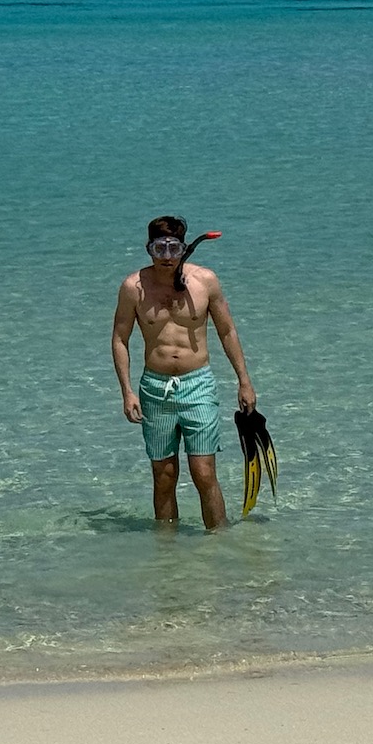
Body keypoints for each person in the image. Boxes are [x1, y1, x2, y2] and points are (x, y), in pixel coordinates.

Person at [111, 215, 256, 529]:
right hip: (154, 389)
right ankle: (168, 554)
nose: (166, 257)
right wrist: (127, 391)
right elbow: (120, 338)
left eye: (173, 248)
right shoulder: (133, 287)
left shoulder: (205, 281)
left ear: (184, 248)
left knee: (204, 473)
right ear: (148, 248)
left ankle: (219, 543)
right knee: (164, 476)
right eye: (158, 248)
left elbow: (227, 331)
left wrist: (244, 381)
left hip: (198, 385)